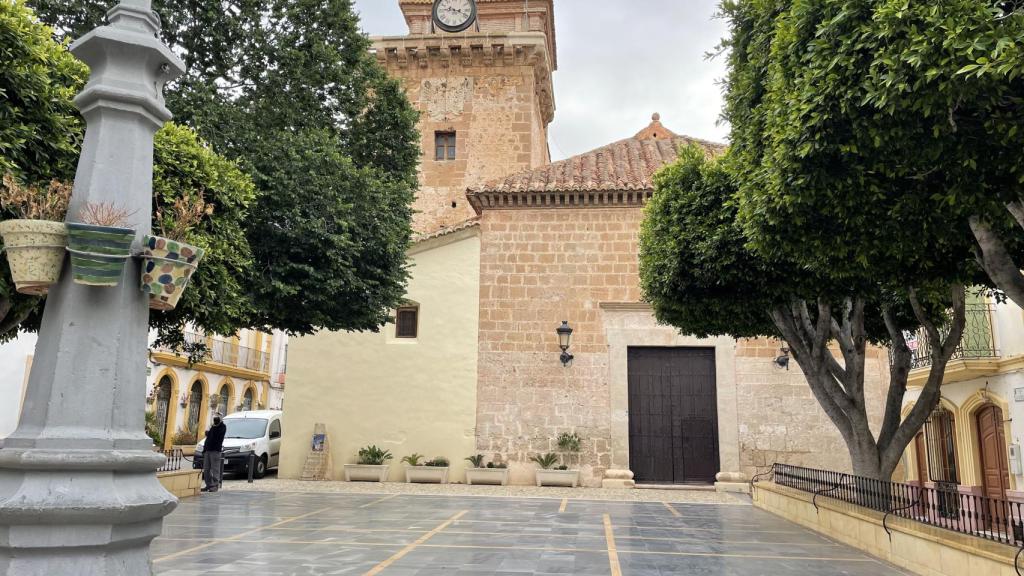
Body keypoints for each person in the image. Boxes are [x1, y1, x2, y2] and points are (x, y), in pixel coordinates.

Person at [202, 413, 227, 493]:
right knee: (206, 469)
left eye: (217, 419)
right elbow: (209, 438)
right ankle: (208, 485)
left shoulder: (222, 427)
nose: (215, 420)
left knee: (215, 469)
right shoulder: (213, 426)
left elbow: (216, 437)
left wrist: (210, 432)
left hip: (215, 451)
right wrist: (204, 450)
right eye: (214, 418)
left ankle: (215, 485)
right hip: (208, 450)